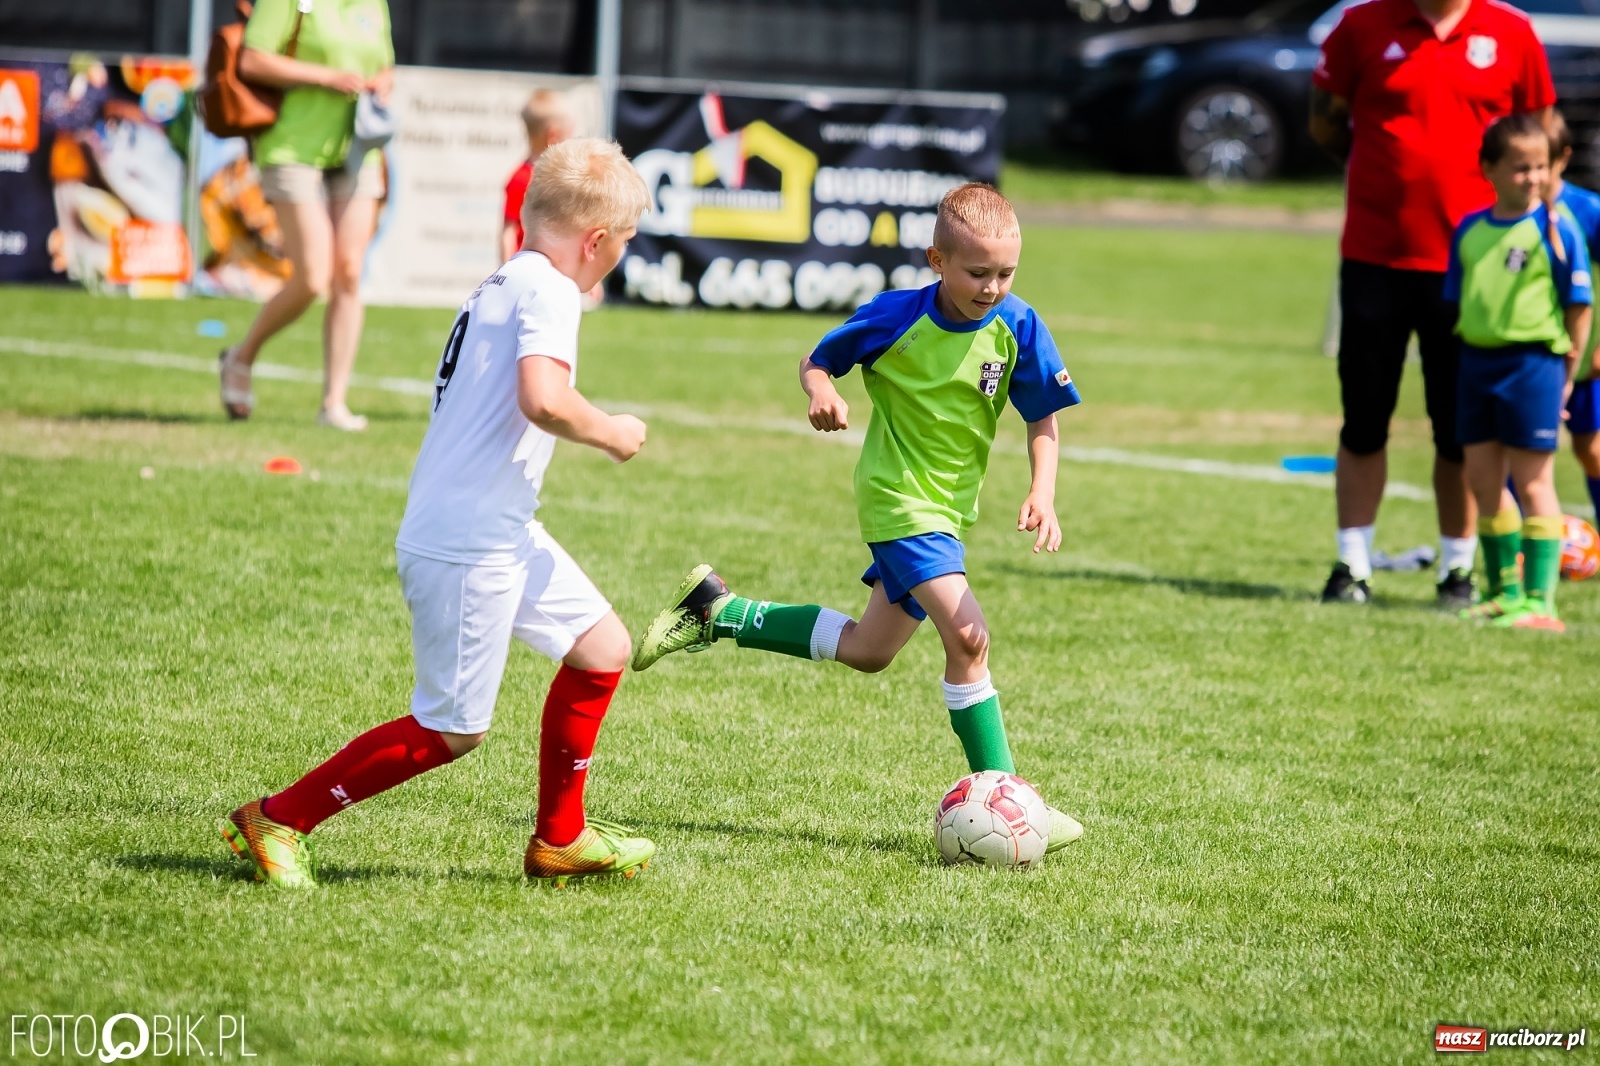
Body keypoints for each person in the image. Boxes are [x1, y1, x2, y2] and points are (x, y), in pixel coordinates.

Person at [221, 139, 657, 888]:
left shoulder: (504, 280)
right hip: (468, 540)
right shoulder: (550, 290)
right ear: (594, 242)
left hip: (500, 527)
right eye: (622, 243)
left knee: (602, 645)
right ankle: (279, 816)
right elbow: (543, 398)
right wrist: (613, 431)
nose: (619, 257)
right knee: (452, 729)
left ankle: (560, 839)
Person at [629, 183, 1086, 853]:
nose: (991, 287)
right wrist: (822, 394)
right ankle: (1010, 799)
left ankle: (717, 611)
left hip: (946, 512)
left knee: (870, 652)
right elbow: (818, 362)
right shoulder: (896, 317)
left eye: (1005, 273)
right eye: (976, 272)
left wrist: (1043, 491)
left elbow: (1041, 414)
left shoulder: (1018, 325)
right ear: (937, 259)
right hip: (898, 500)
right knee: (969, 638)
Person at [1309, 0, 1555, 607]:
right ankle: (1352, 565)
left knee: (1460, 430)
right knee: (1364, 420)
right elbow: (1324, 121)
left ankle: (1458, 569)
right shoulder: (1361, 25)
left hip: (1474, 268)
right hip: (1375, 256)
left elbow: (1543, 138)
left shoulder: (1512, 33)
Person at [218, 0, 396, 431]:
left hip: (358, 147)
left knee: (350, 272)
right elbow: (252, 59)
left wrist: (382, 84)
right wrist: (327, 78)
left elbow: (387, 64)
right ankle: (241, 358)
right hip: (291, 148)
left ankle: (333, 403)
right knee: (313, 277)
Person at [1446, 114, 1591, 631]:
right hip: (1477, 364)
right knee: (1484, 480)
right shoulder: (1470, 230)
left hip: (1533, 365)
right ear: (1488, 169)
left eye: (1540, 167)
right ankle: (1503, 590)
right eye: (1519, 168)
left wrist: (1568, 371)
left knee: (1533, 481)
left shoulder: (1555, 230)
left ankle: (1540, 601)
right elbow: (1459, 301)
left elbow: (1579, 305)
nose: (1531, 177)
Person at [1547, 111, 1600, 521]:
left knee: (1592, 448)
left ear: (1563, 157)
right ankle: (1521, 551)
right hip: (1527, 358)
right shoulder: (1500, 214)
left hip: (1584, 362)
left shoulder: (1587, 211)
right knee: (1517, 452)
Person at [500, 90, 575, 265]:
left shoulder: (562, 177)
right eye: (569, 136)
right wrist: (506, 271)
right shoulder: (522, 179)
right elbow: (509, 231)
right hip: (527, 267)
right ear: (553, 136)